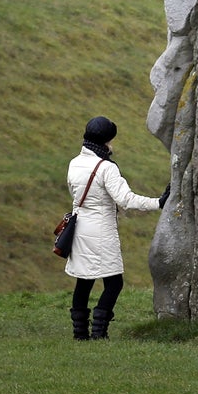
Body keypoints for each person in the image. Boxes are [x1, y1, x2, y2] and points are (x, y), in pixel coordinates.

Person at [66, 116, 170, 340]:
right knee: (114, 282)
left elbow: (75, 196)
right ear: (106, 141)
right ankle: (99, 332)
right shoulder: (106, 168)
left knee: (84, 281)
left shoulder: (74, 163)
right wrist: (158, 203)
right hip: (101, 231)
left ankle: (80, 333)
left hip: (79, 229)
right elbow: (126, 200)